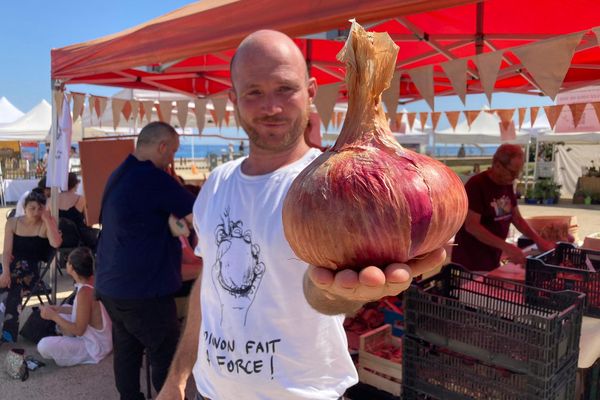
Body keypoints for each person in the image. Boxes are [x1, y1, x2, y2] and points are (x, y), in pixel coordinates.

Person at [157, 30, 445, 400]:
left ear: (311, 90)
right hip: (212, 393)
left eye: (285, 89)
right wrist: (177, 376)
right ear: (233, 98)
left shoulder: (336, 188)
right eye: (254, 92)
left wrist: (345, 292)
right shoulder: (217, 182)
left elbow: (328, 296)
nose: (271, 107)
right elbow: (207, 287)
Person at [95, 121, 195, 400]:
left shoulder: (119, 173)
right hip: (143, 289)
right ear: (161, 147)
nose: (172, 159)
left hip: (111, 284)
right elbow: (197, 214)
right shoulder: (153, 178)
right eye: (172, 152)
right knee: (166, 352)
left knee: (127, 350)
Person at [452, 144, 555, 273]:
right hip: (471, 263)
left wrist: (538, 240)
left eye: (518, 172)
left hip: (492, 259)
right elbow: (472, 226)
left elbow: (516, 218)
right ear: (497, 165)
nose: (515, 176)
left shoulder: (507, 184)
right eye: (512, 172)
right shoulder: (477, 184)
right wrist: (507, 247)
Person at [0, 191, 62, 342]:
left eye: (39, 208)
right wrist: (5, 272)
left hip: (31, 272)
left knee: (13, 285)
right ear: (25, 207)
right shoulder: (13, 223)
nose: (35, 212)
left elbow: (56, 244)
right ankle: (7, 332)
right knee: (10, 283)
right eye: (32, 208)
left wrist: (47, 219)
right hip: (11, 266)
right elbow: (6, 251)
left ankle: (7, 335)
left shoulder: (45, 224)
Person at [37, 247, 112, 366]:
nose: (66, 264)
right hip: (102, 339)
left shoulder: (85, 292)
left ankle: (69, 341)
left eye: (67, 262)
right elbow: (85, 311)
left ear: (71, 267)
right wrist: (59, 309)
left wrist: (53, 316)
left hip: (95, 346)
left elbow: (79, 330)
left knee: (43, 345)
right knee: (64, 309)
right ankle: (66, 335)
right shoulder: (92, 282)